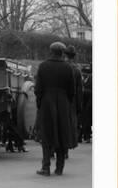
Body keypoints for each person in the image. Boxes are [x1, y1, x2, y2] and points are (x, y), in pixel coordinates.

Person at [34, 42, 75, 176]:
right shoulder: (68, 68)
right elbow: (72, 90)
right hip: (63, 103)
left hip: (47, 102)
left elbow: (38, 89)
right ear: (62, 52)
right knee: (62, 133)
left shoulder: (43, 66)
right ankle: (59, 167)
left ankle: (45, 167)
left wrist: (40, 103)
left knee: (46, 134)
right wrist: (66, 102)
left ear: (50, 51)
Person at [65, 45, 83, 157]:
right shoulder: (76, 70)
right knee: (68, 126)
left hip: (61, 99)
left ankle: (53, 149)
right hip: (72, 102)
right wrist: (79, 106)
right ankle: (65, 150)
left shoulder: (62, 67)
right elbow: (79, 90)